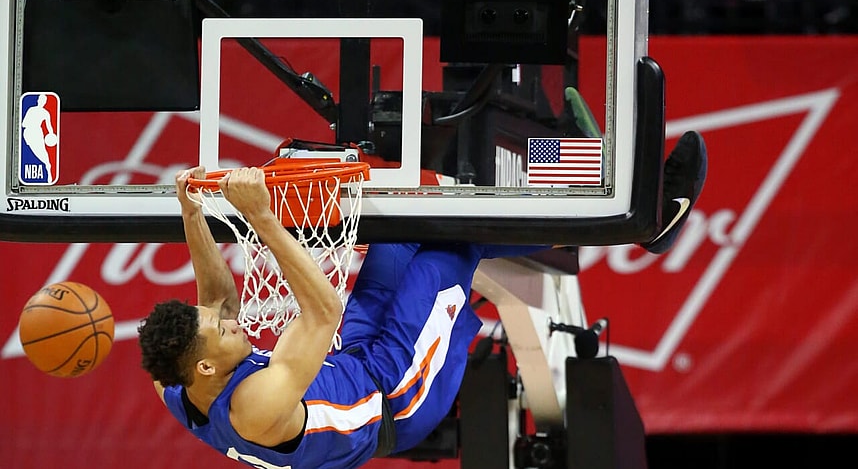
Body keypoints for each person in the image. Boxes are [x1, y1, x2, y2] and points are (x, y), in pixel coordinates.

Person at [137, 131, 706, 468]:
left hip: (354, 359)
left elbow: (217, 301)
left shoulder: (177, 383)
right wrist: (261, 218)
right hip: (398, 397)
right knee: (453, 243)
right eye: (221, 330)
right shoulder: (252, 408)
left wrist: (191, 214)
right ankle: (640, 221)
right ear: (206, 365)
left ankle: (588, 180)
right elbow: (323, 310)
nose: (230, 320)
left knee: (405, 226)